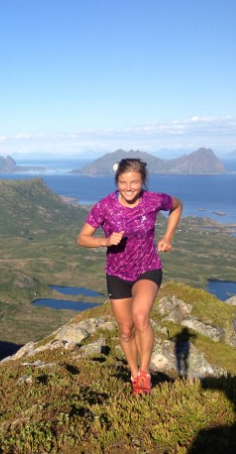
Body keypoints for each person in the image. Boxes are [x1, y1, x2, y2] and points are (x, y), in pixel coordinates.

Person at [77, 158, 183, 395]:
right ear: (117, 182)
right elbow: (82, 238)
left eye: (134, 182)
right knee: (126, 331)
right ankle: (133, 373)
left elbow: (177, 206)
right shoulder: (104, 206)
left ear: (143, 181)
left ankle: (144, 374)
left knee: (141, 316)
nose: (129, 187)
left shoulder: (154, 200)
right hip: (117, 274)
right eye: (123, 182)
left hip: (148, 268)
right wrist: (105, 240)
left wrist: (168, 237)